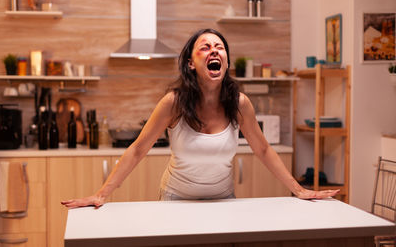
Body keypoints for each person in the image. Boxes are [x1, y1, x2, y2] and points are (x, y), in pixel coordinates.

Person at [61, 28, 339, 208]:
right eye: (205, 47)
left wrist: (298, 190)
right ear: (191, 64)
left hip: (223, 200)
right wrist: (102, 194)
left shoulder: (239, 104)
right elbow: (137, 150)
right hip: (175, 200)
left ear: (226, 61)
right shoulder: (174, 103)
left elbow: (263, 149)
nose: (214, 50)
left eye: (219, 47)